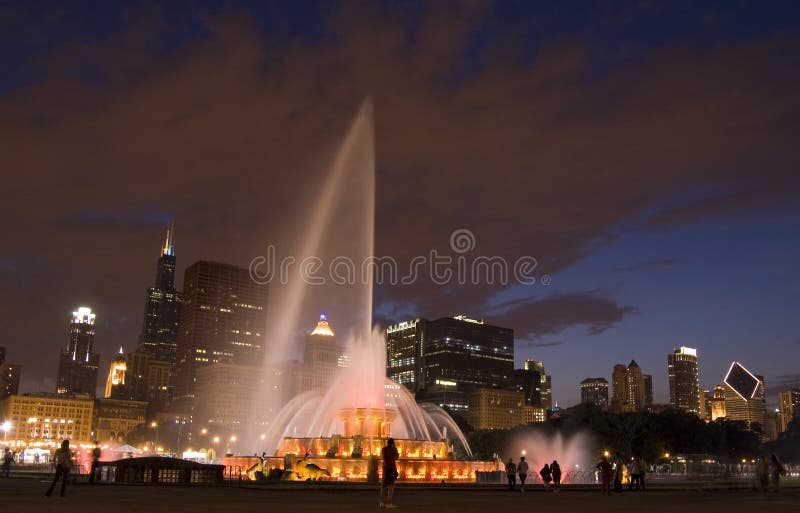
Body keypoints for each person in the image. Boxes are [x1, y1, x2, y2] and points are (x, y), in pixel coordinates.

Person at [379, 438, 400, 508]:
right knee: (390, 487)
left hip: (385, 469)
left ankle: (382, 503)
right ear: (393, 443)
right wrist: (395, 448)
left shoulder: (383, 449)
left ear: (387, 443)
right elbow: (397, 457)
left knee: (383, 486)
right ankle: (389, 503)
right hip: (391, 469)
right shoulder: (394, 449)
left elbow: (383, 457)